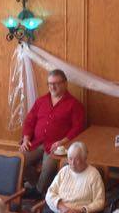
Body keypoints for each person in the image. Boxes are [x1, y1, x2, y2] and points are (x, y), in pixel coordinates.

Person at [19, 69, 85, 197]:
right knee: (18, 160)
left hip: (57, 147)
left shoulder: (74, 104)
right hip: (36, 142)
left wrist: (62, 142)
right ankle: (38, 186)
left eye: (56, 83)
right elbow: (29, 121)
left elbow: (77, 128)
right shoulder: (41, 101)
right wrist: (26, 139)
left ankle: (38, 192)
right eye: (50, 83)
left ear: (65, 84)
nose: (52, 87)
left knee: (48, 168)